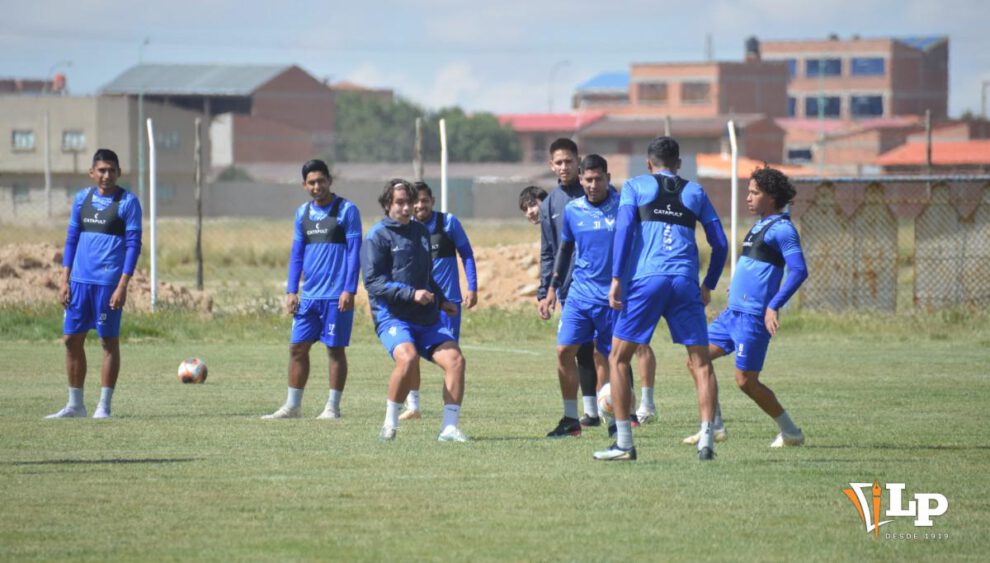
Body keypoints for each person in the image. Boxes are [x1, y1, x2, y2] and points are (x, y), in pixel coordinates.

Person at [594, 136, 728, 462]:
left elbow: (624, 231)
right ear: (679, 164)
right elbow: (720, 243)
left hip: (647, 280)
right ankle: (707, 438)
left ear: (649, 164)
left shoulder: (636, 186)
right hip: (685, 281)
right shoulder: (695, 191)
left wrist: (616, 278)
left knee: (619, 358)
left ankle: (624, 443)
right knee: (700, 362)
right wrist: (708, 283)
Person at [700, 165, 808, 447]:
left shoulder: (783, 229)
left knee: (746, 381)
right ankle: (714, 426)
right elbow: (756, 268)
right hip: (731, 314)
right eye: (748, 192)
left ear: (771, 197)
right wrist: (736, 287)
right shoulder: (760, 225)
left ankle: (791, 431)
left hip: (752, 318)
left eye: (754, 193)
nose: (748, 198)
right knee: (696, 357)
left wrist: (773, 305)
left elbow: (798, 271)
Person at [362, 179, 468, 442]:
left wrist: (441, 299)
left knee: (456, 361)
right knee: (408, 359)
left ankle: (449, 428)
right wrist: (411, 294)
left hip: (426, 317)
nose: (407, 208)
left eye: (409, 202)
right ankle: (389, 424)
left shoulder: (420, 231)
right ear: (388, 204)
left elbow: (426, 277)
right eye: (400, 202)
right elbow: (373, 283)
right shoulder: (377, 236)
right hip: (392, 316)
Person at [262, 160, 361, 420]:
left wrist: (349, 289)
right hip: (309, 297)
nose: (317, 186)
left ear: (330, 180)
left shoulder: (347, 210)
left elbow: (354, 254)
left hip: (335, 296)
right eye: (311, 182)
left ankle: (332, 407)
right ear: (304, 185)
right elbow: (296, 254)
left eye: (321, 181)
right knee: (297, 348)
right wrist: (291, 290)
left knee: (335, 350)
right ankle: (293, 406)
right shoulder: (302, 214)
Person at [48, 148, 142, 419]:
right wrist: (64, 280)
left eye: (112, 170)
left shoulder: (128, 202)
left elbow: (134, 245)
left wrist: (123, 284)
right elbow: (71, 239)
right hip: (78, 283)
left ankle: (104, 407)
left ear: (119, 173)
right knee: (70, 339)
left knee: (107, 341)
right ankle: (76, 405)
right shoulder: (81, 200)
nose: (106, 175)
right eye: (101, 170)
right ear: (92, 173)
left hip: (107, 283)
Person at [541, 155, 620, 437]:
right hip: (579, 294)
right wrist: (552, 287)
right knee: (564, 352)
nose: (593, 185)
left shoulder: (623, 207)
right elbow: (564, 250)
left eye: (599, 179)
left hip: (613, 297)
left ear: (608, 178)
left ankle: (616, 422)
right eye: (588, 179)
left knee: (612, 358)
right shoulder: (573, 210)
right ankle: (571, 419)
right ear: (581, 180)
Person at [398, 181, 478, 421]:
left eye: (425, 200)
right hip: (416, 304)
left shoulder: (448, 223)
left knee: (450, 358)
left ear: (432, 200)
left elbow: (467, 254)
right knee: (410, 353)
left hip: (448, 304)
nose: (420, 205)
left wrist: (472, 287)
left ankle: (450, 413)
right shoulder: (407, 229)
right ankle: (413, 406)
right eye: (416, 201)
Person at [537, 138, 601, 429]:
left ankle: (627, 412)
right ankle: (590, 413)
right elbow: (549, 251)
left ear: (578, 161)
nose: (564, 166)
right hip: (569, 290)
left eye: (569, 161)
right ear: (551, 165)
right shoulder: (550, 203)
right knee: (579, 349)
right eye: (558, 162)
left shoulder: (595, 191)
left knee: (610, 350)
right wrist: (544, 291)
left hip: (601, 286)